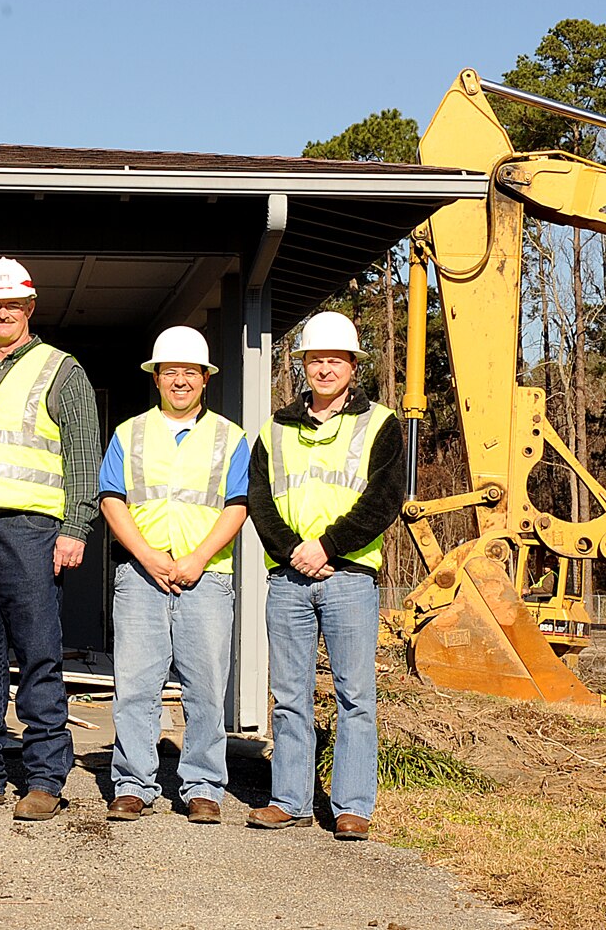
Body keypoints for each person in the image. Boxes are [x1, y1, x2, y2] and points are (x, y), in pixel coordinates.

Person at [0, 257, 101, 821]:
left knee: (37, 655)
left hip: (32, 531)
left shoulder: (62, 370)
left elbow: (82, 455)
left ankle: (45, 777)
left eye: (12, 305)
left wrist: (76, 527)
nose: (2, 312)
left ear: (30, 308)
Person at [245, 310, 407, 842]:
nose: (326, 368)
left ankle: (352, 805)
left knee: (354, 694)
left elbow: (384, 500)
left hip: (349, 576)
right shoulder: (274, 429)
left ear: (353, 365)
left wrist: (328, 547)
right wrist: (294, 551)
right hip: (288, 578)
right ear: (304, 366)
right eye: (317, 360)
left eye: (336, 360)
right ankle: (289, 800)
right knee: (289, 694)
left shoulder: (381, 424)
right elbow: (260, 501)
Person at [98, 326, 249, 824]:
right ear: (157, 378)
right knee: (135, 685)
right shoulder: (129, 433)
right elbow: (111, 500)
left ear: (205, 379)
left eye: (190, 372)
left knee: (205, 687)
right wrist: (146, 555)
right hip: (141, 575)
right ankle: (134, 782)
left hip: (204, 576)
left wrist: (198, 558)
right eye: (171, 372)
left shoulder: (231, 437)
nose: (180, 381)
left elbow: (237, 504)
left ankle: (203, 785)